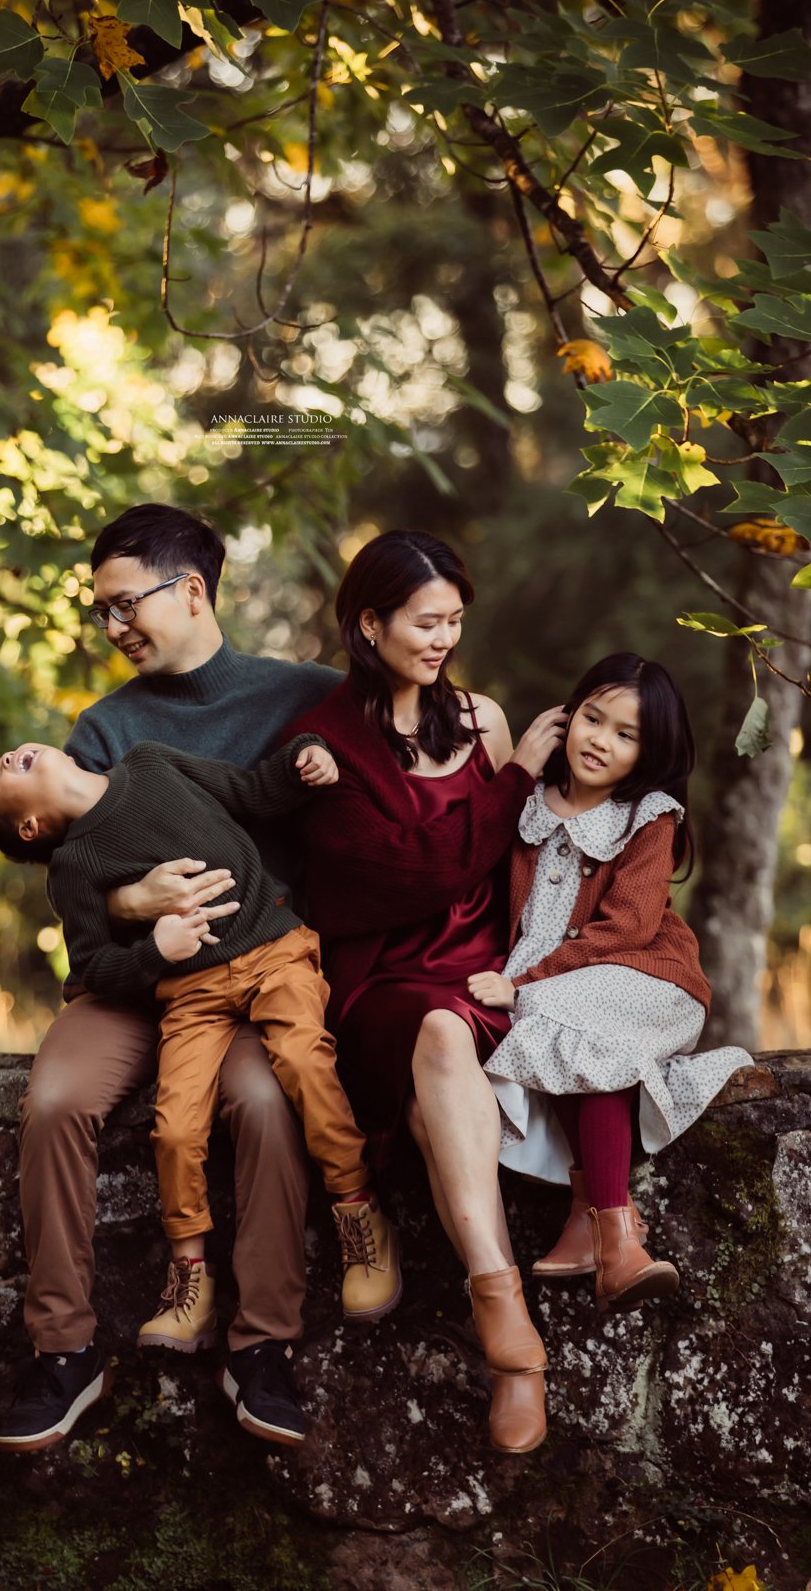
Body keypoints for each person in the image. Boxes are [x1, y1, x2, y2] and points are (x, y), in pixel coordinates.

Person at [0, 503, 342, 1453]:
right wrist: (135, 904)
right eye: (101, 613)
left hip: (250, 978)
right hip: (127, 986)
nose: (113, 629)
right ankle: (63, 1351)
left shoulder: (306, 693)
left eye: (124, 605)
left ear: (190, 589)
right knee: (58, 1100)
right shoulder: (105, 726)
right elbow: (79, 882)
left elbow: (413, 738)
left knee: (268, 1109)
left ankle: (260, 1346)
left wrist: (509, 734)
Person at [0, 732, 399, 1374]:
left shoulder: (150, 761)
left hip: (274, 952)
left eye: (3, 754)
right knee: (174, 1127)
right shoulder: (74, 870)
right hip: (190, 990)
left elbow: (251, 792)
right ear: (30, 827)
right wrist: (154, 951)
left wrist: (304, 757)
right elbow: (93, 967)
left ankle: (357, 1209)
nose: (6, 757)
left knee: (304, 1064)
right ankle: (189, 1277)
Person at [284, 529, 567, 1457]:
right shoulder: (322, 744)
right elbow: (411, 875)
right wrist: (519, 770)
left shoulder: (482, 719)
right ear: (369, 623)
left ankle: (507, 1334)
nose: (444, 637)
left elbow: (523, 854)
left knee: (443, 1065)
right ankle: (507, 1321)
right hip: (382, 984)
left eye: (455, 620)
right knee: (436, 1035)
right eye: (425, 620)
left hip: (487, 971)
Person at [468, 653, 752, 1313]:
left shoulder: (648, 817)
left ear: (649, 753)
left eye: (626, 734)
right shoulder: (531, 807)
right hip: (554, 988)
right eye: (593, 718)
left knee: (565, 1024)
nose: (600, 739)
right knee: (560, 1033)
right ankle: (598, 1225)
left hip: (647, 982)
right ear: (569, 714)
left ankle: (614, 1238)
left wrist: (527, 982)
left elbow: (627, 928)